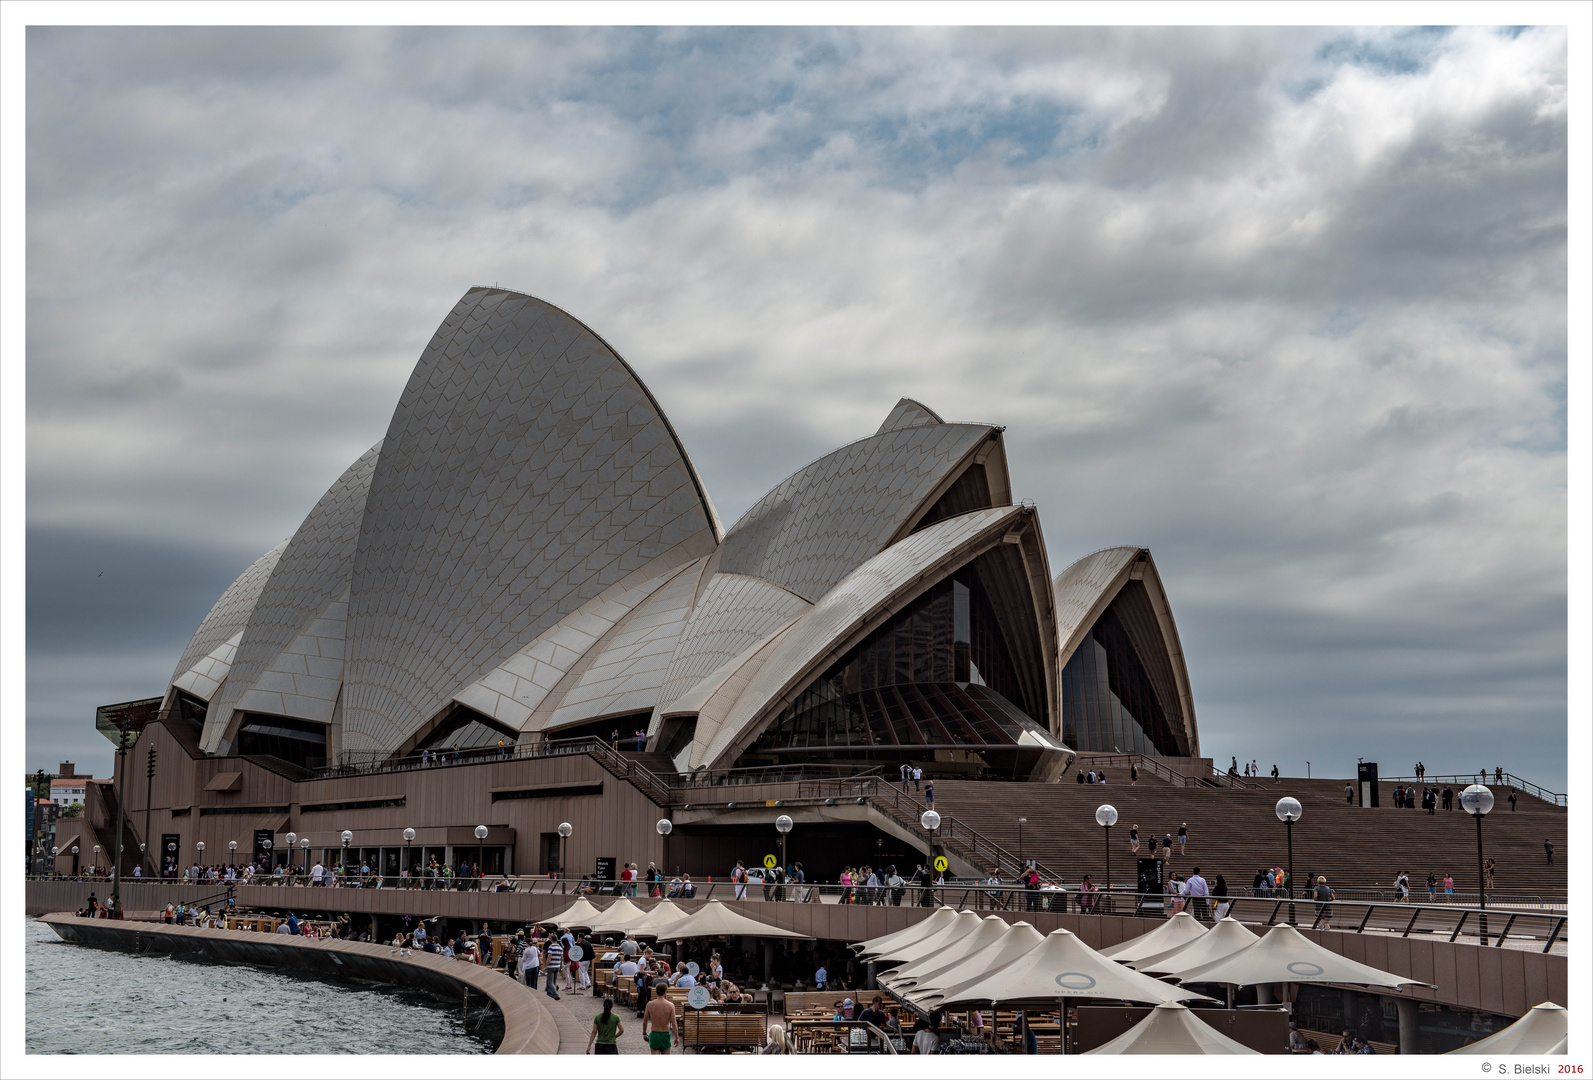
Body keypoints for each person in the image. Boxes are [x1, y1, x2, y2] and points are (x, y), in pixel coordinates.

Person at [643, 983, 677, 1054]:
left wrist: (644, 1032)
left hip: (655, 1034)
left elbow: (645, 1020)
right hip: (665, 1034)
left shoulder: (649, 1004)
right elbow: (674, 1023)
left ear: (656, 991)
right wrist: (677, 1037)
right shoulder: (670, 1005)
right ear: (665, 992)